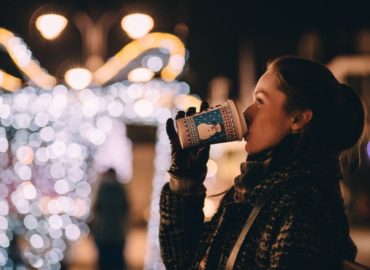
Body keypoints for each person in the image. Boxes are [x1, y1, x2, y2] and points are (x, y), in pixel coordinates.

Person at [159, 56, 366, 269]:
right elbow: (184, 261)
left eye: (260, 101)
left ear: (297, 119)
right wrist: (185, 180)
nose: (247, 113)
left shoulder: (303, 203)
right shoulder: (254, 187)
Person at [90, 168, 130, 270]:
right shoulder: (120, 188)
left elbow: (96, 208)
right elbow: (126, 208)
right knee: (117, 261)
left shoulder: (102, 188)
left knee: (104, 261)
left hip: (103, 232)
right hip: (117, 232)